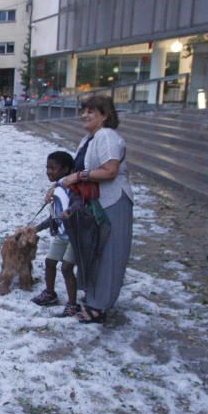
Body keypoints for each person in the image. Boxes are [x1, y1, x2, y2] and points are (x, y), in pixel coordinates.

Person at [59, 95, 134, 323]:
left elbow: (110, 170)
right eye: (85, 111)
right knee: (95, 251)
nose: (85, 115)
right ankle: (93, 298)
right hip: (95, 204)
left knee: (108, 254)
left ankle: (99, 306)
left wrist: (79, 176)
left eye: (91, 111)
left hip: (112, 202)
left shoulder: (107, 136)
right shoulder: (89, 139)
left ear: (105, 115)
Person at [32, 151, 79, 317]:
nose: (49, 172)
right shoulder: (57, 188)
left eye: (53, 168)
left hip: (75, 236)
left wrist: (71, 211)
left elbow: (79, 204)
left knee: (67, 268)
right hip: (61, 235)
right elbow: (54, 217)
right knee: (50, 262)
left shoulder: (71, 187)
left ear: (66, 169)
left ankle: (72, 304)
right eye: (47, 168)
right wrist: (35, 228)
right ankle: (50, 293)